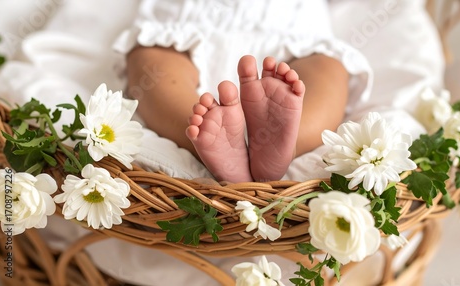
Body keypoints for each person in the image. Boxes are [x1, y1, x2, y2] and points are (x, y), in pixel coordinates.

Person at [120, 0, 358, 183]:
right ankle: (209, 145)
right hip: (184, 24)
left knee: (328, 69)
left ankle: (287, 144)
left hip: (295, 32)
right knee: (154, 62)